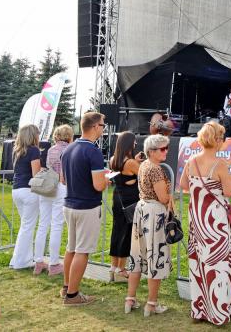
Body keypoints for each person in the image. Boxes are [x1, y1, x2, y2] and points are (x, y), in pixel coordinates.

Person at [179, 121, 231, 324]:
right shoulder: (220, 164)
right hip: (216, 222)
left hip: (198, 220)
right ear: (217, 140)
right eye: (222, 137)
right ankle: (222, 309)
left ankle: (200, 309)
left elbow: (183, 185)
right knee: (220, 264)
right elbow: (229, 192)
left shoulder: (191, 161)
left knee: (200, 264)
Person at [60, 111, 109, 306]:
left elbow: (63, 179)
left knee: (71, 248)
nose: (103, 129)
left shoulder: (68, 148)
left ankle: (66, 288)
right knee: (82, 251)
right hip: (87, 206)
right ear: (95, 126)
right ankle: (72, 295)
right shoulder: (93, 151)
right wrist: (106, 179)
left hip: (70, 204)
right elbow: (98, 185)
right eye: (103, 125)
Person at [125, 134, 173, 317]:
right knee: (156, 257)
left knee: (137, 256)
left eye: (167, 147)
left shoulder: (144, 165)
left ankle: (130, 299)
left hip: (142, 210)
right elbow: (163, 198)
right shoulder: (155, 169)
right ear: (152, 151)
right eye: (163, 149)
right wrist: (172, 196)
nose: (166, 151)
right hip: (154, 214)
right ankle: (151, 304)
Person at [34, 124, 71, 277]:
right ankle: (54, 263)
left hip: (47, 185)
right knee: (56, 225)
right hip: (60, 186)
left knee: (43, 224)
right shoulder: (68, 149)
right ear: (69, 136)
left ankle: (38, 261)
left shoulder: (51, 149)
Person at [108, 131, 142, 283]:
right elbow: (144, 174)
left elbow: (125, 171)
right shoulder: (131, 163)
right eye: (134, 141)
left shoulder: (113, 159)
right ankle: (121, 269)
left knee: (116, 231)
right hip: (130, 201)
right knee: (126, 233)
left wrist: (135, 161)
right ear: (129, 143)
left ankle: (113, 267)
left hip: (118, 198)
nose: (135, 144)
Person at [8, 124, 42, 270]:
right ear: (33, 135)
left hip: (17, 190)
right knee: (27, 227)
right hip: (29, 191)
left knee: (25, 226)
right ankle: (20, 261)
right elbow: (36, 174)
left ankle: (21, 259)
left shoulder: (17, 150)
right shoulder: (34, 150)